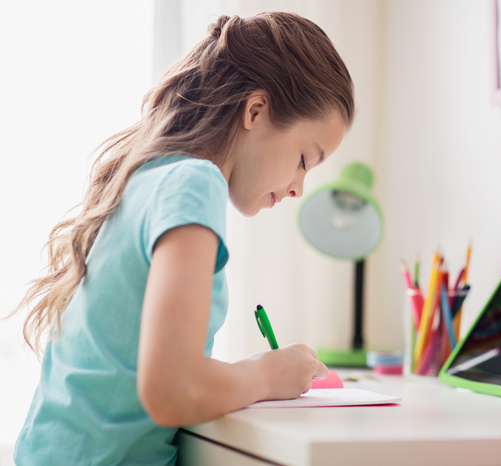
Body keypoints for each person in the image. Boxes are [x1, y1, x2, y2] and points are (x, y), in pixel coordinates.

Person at [12, 11, 354, 465]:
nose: (298, 187)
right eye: (305, 160)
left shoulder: (148, 176)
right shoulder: (194, 184)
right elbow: (173, 390)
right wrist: (267, 375)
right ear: (255, 110)